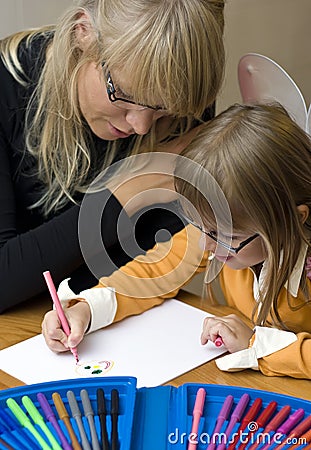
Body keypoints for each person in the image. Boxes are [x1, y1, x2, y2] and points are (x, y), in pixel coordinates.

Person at [42, 103, 311, 379]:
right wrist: (86, 310)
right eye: (200, 226)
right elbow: (155, 273)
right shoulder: (216, 231)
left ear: (294, 219)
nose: (205, 245)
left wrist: (257, 345)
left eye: (228, 238)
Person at [0, 0, 225, 311]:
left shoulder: (182, 105)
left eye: (161, 109)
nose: (142, 127)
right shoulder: (6, 86)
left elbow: (150, 265)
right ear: (84, 32)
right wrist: (127, 191)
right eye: (124, 96)